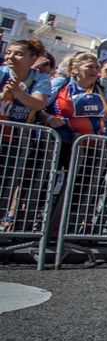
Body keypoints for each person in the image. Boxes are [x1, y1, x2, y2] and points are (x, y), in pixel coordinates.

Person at [0, 37, 53, 232]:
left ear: (32, 60)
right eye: (9, 52)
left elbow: (39, 103)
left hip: (17, 139)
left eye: (18, 53)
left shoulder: (40, 78)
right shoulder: (1, 72)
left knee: (7, 185)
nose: (11, 57)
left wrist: (19, 93)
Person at [44, 52, 107, 166]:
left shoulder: (104, 88)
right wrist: (48, 118)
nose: (94, 70)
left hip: (90, 145)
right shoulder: (61, 83)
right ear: (75, 69)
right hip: (58, 140)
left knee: (82, 182)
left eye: (97, 67)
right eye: (89, 67)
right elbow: (38, 106)